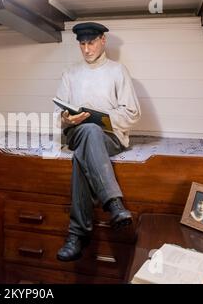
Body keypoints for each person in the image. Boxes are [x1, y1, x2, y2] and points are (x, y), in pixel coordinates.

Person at [55, 22, 141, 262]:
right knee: (87, 131)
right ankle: (113, 203)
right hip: (76, 133)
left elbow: (133, 113)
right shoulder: (70, 74)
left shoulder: (117, 71)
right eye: (82, 44)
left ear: (103, 40)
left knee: (89, 136)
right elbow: (58, 114)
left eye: (90, 42)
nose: (86, 49)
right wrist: (67, 118)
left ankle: (77, 233)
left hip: (110, 136)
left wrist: (99, 117)